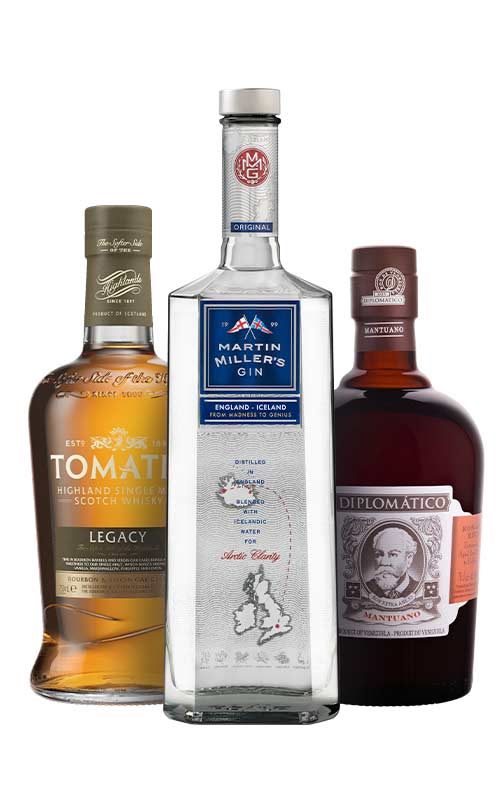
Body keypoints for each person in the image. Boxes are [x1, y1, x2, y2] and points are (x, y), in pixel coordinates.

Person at [366, 527, 419, 598]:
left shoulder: (418, 588)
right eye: (379, 554)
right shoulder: (367, 588)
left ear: (409, 558)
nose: (384, 562)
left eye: (393, 554)